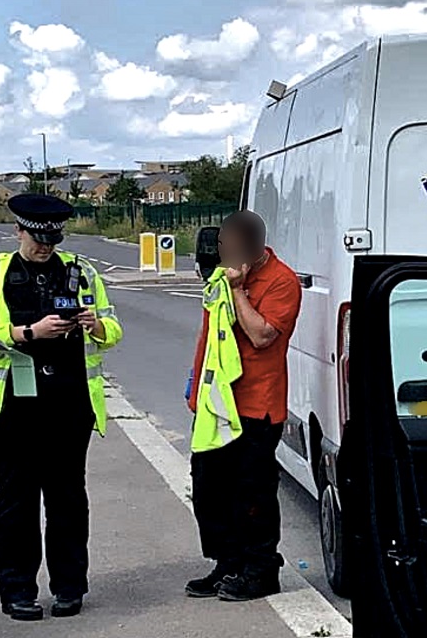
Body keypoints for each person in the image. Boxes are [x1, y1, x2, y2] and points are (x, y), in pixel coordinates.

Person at [0, 193, 123, 622]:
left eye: (52, 240)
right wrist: (26, 332)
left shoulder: (81, 271)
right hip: (14, 404)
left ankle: (70, 587)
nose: (44, 247)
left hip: (70, 402)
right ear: (18, 231)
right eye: (37, 239)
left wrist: (97, 325)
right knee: (16, 500)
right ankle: (17, 590)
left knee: (68, 499)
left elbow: (113, 327)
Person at [186, 211, 302, 602]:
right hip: (218, 402)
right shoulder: (221, 276)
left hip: (257, 406)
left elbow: (261, 335)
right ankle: (227, 561)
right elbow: (210, 336)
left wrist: (238, 291)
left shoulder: (281, 282)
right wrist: (195, 391)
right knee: (208, 489)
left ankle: (261, 569)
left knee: (251, 494)